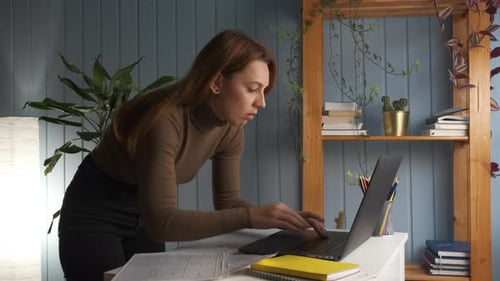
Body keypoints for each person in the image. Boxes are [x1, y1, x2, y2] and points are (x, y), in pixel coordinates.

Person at [58, 29, 326, 281]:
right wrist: (253, 217)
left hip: (145, 216)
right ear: (217, 82)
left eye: (264, 91)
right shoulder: (163, 121)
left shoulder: (231, 128)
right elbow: (163, 223)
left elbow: (228, 202)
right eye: (253, 89)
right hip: (95, 214)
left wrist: (279, 219)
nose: (262, 102)